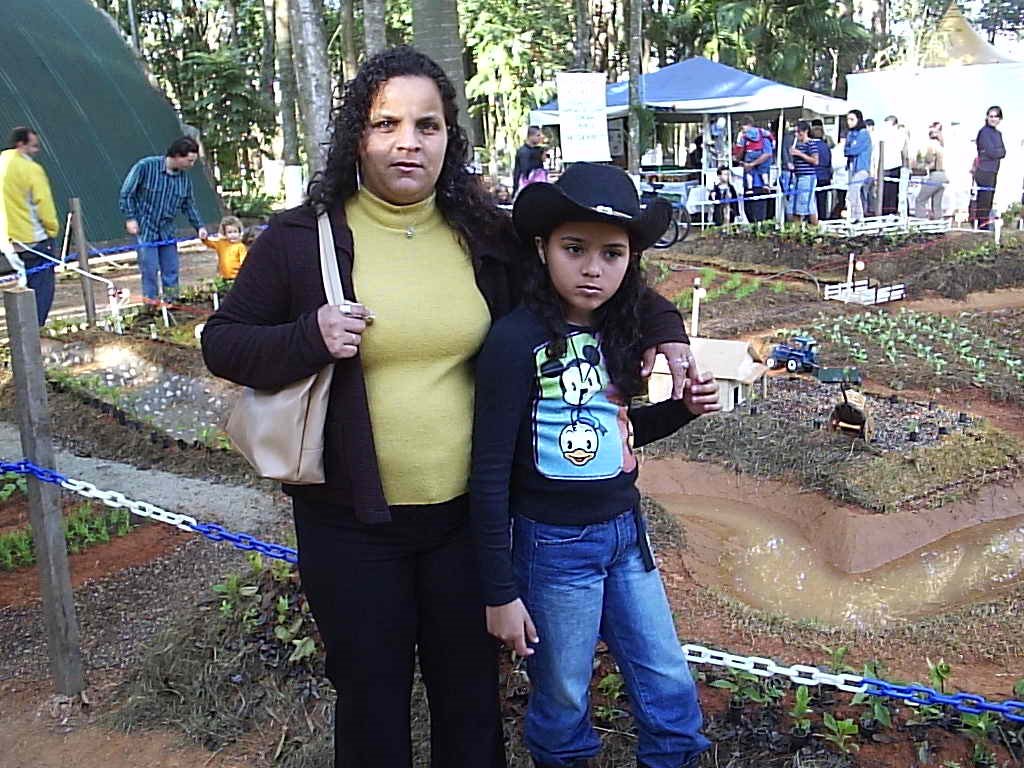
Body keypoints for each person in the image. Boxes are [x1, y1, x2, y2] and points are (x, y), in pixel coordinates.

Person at [200, 46, 697, 768]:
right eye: (387, 124)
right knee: (371, 699)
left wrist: (668, 333)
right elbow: (224, 342)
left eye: (427, 125)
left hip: (465, 521)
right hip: (351, 525)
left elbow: (594, 272)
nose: (409, 141)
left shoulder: (481, 232)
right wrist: (308, 335)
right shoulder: (302, 238)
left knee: (469, 700)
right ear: (358, 137)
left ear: (447, 137)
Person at [471, 162, 717, 768]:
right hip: (552, 547)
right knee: (562, 693)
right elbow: (489, 473)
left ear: (631, 260)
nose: (592, 269)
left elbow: (619, 434)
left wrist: (681, 411)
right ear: (542, 247)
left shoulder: (622, 330)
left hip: (626, 538)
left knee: (668, 681)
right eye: (574, 249)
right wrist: (500, 592)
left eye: (613, 254)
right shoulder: (514, 341)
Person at [119, 136, 207, 304]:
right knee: (150, 269)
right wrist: (130, 218)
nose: (191, 165)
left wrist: (199, 226)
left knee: (171, 269)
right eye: (189, 161)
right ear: (176, 156)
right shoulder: (145, 167)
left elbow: (188, 205)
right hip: (146, 228)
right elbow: (126, 194)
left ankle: (172, 303)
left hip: (167, 230)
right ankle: (151, 305)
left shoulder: (184, 179)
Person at [0, 127, 59, 325]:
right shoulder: (31, 170)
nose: (36, 151)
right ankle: (36, 332)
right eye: (33, 146)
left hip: (7, 242)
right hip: (34, 240)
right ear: (21, 144)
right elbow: (44, 205)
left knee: (22, 288)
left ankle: (21, 334)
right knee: (42, 291)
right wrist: (52, 230)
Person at [736, 116, 774, 223]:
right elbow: (738, 156)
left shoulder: (763, 138)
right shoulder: (746, 137)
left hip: (759, 184)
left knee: (759, 210)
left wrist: (752, 164)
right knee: (749, 210)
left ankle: (759, 231)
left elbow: (768, 154)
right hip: (749, 182)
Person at [974, 105, 1005, 230]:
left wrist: (996, 152)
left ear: (999, 119)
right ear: (987, 117)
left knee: (989, 200)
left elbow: (1004, 152)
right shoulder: (984, 132)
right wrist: (996, 152)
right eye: (990, 116)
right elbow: (992, 152)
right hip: (984, 170)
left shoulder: (998, 134)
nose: (993, 119)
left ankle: (984, 225)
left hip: (993, 170)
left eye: (995, 116)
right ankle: (981, 227)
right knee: (984, 200)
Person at [786, 120, 819, 225]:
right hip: (797, 176)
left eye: (799, 132)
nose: (796, 135)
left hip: (807, 177)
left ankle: (814, 227)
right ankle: (797, 229)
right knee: (794, 205)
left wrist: (800, 154)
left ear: (805, 131)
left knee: (806, 204)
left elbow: (815, 161)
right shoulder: (797, 144)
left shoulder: (811, 143)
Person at [844, 110, 872, 223]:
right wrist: (849, 149)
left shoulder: (864, 133)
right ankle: (858, 216)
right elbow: (846, 150)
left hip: (862, 167)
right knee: (855, 193)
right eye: (848, 119)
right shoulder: (850, 134)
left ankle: (857, 217)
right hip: (851, 167)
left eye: (852, 119)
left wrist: (850, 148)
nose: (849, 122)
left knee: (853, 192)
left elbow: (854, 149)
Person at [914, 122, 947, 220]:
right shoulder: (942, 145)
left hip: (935, 174)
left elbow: (930, 161)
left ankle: (920, 221)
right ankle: (939, 224)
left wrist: (921, 165)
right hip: (943, 175)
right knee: (937, 204)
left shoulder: (931, 145)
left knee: (920, 200)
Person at [878, 115, 908, 215]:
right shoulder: (896, 134)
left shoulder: (898, 134)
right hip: (886, 166)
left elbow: (903, 151)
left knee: (890, 193)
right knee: (888, 193)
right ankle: (887, 213)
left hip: (893, 166)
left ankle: (889, 214)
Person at [202, 215, 248, 280]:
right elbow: (209, 243)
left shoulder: (240, 246)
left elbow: (244, 261)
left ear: (239, 232)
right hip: (223, 276)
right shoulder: (221, 243)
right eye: (229, 232)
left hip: (237, 277)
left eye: (235, 232)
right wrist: (204, 238)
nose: (232, 235)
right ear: (225, 234)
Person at [513, 125, 547, 194]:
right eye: (538, 135)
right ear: (531, 136)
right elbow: (526, 172)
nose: (540, 138)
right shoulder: (524, 152)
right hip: (526, 188)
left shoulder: (537, 151)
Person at [810, 122, 833, 220]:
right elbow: (829, 161)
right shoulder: (826, 146)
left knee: (811, 201)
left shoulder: (811, 145)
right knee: (822, 201)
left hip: (814, 176)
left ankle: (812, 220)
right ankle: (822, 219)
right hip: (825, 176)